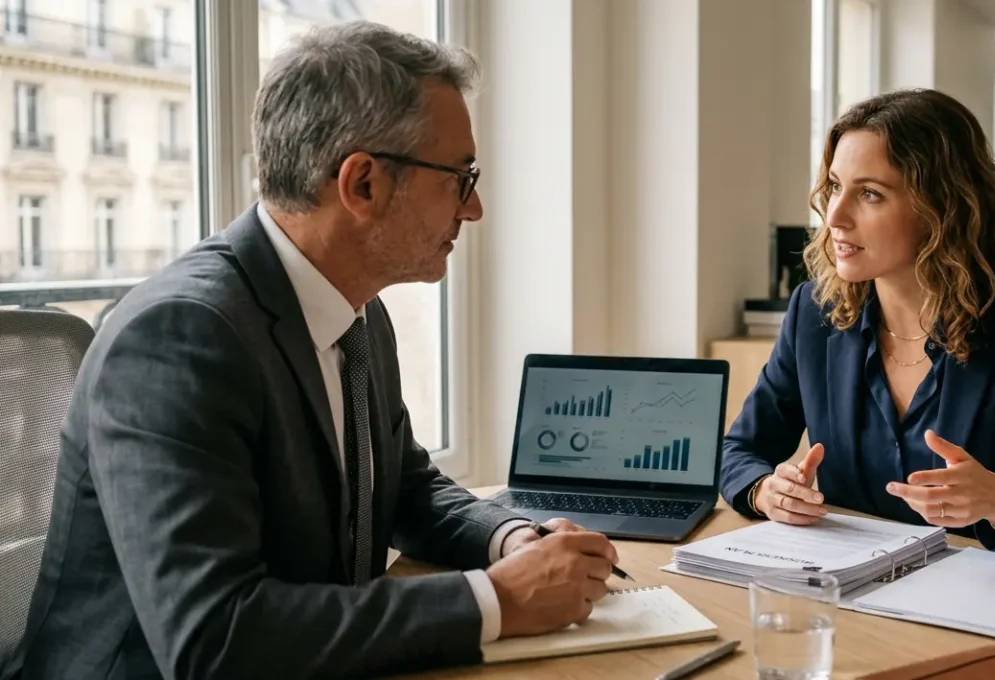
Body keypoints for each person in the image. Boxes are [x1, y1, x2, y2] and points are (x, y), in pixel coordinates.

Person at [12, 22, 618, 679]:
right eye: (460, 177)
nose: (472, 210)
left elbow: (404, 487)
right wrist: (495, 601)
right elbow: (215, 640)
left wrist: (510, 538)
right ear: (362, 185)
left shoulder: (357, 309)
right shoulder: (177, 337)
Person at [719, 89, 995, 567]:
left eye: (869, 194)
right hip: (847, 599)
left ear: (941, 208)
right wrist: (766, 491)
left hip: (984, 610)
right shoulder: (813, 314)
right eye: (835, 187)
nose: (835, 218)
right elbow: (741, 449)